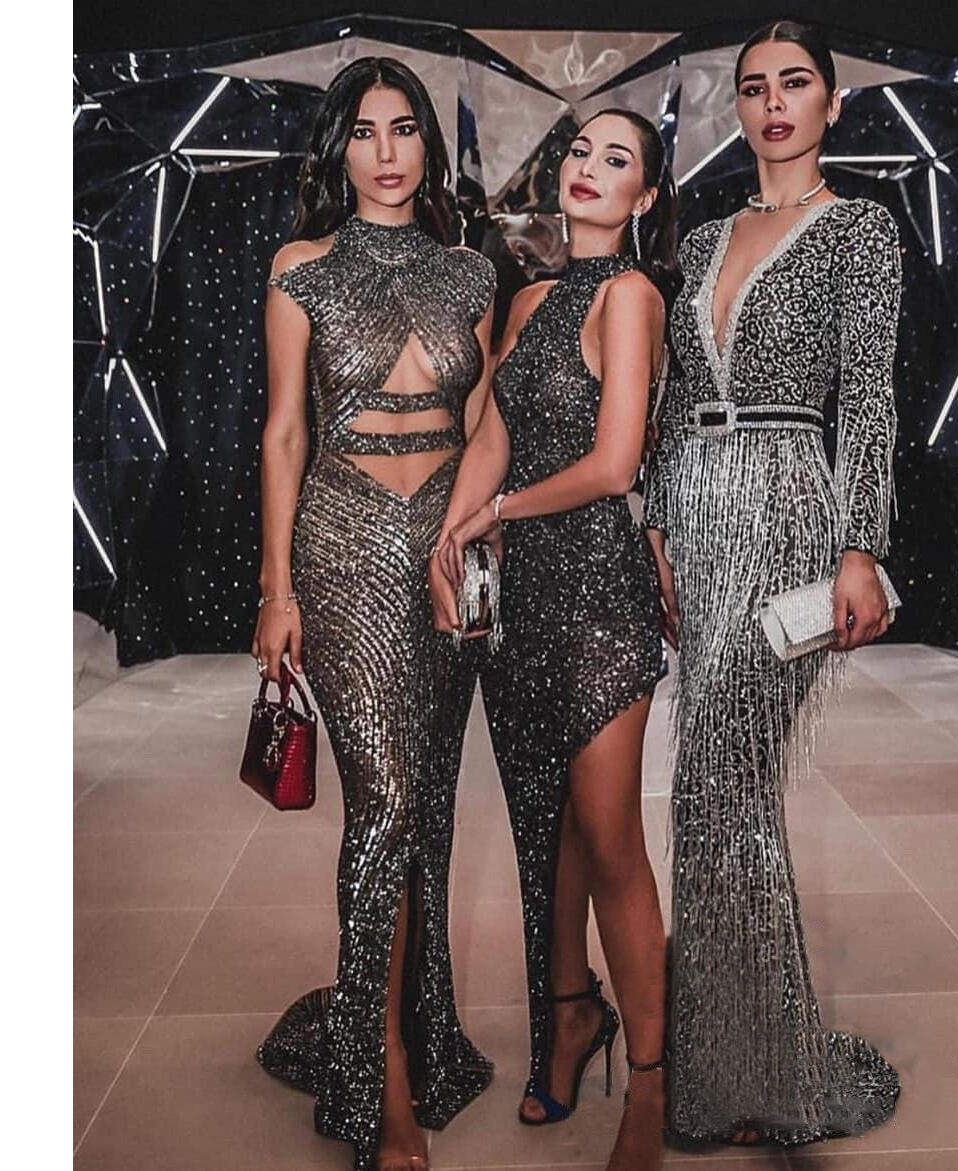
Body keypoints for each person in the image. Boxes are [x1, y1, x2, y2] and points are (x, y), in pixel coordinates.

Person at [642, 20, 903, 1148]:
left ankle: (763, 1070)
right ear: (737, 108)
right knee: (717, 790)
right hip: (696, 510)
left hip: (793, 507)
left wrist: (860, 545)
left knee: (720, 776)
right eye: (754, 87)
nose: (774, 103)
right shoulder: (703, 237)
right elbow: (668, 396)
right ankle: (730, 1057)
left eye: (795, 83)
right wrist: (656, 518)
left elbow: (873, 397)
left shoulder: (861, 230)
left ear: (831, 103)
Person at [250, 57, 497, 1171]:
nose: (387, 152)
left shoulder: (469, 272)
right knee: (386, 806)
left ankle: (419, 1032)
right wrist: (277, 589)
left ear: (428, 148)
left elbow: (482, 427)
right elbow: (284, 433)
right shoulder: (300, 267)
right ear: (338, 149)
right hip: (343, 546)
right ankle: (381, 1084)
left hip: (445, 553)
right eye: (365, 131)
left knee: (429, 817)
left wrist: (472, 544)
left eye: (405, 130)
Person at [429, 109, 678, 1171]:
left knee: (611, 838)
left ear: (644, 198)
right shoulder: (530, 298)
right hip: (520, 605)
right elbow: (492, 432)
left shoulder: (633, 296)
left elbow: (615, 465)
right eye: (581, 152)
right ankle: (572, 1015)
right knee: (550, 826)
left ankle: (651, 1090)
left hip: (600, 598)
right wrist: (450, 533)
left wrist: (496, 514)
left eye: (616, 161)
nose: (588, 169)